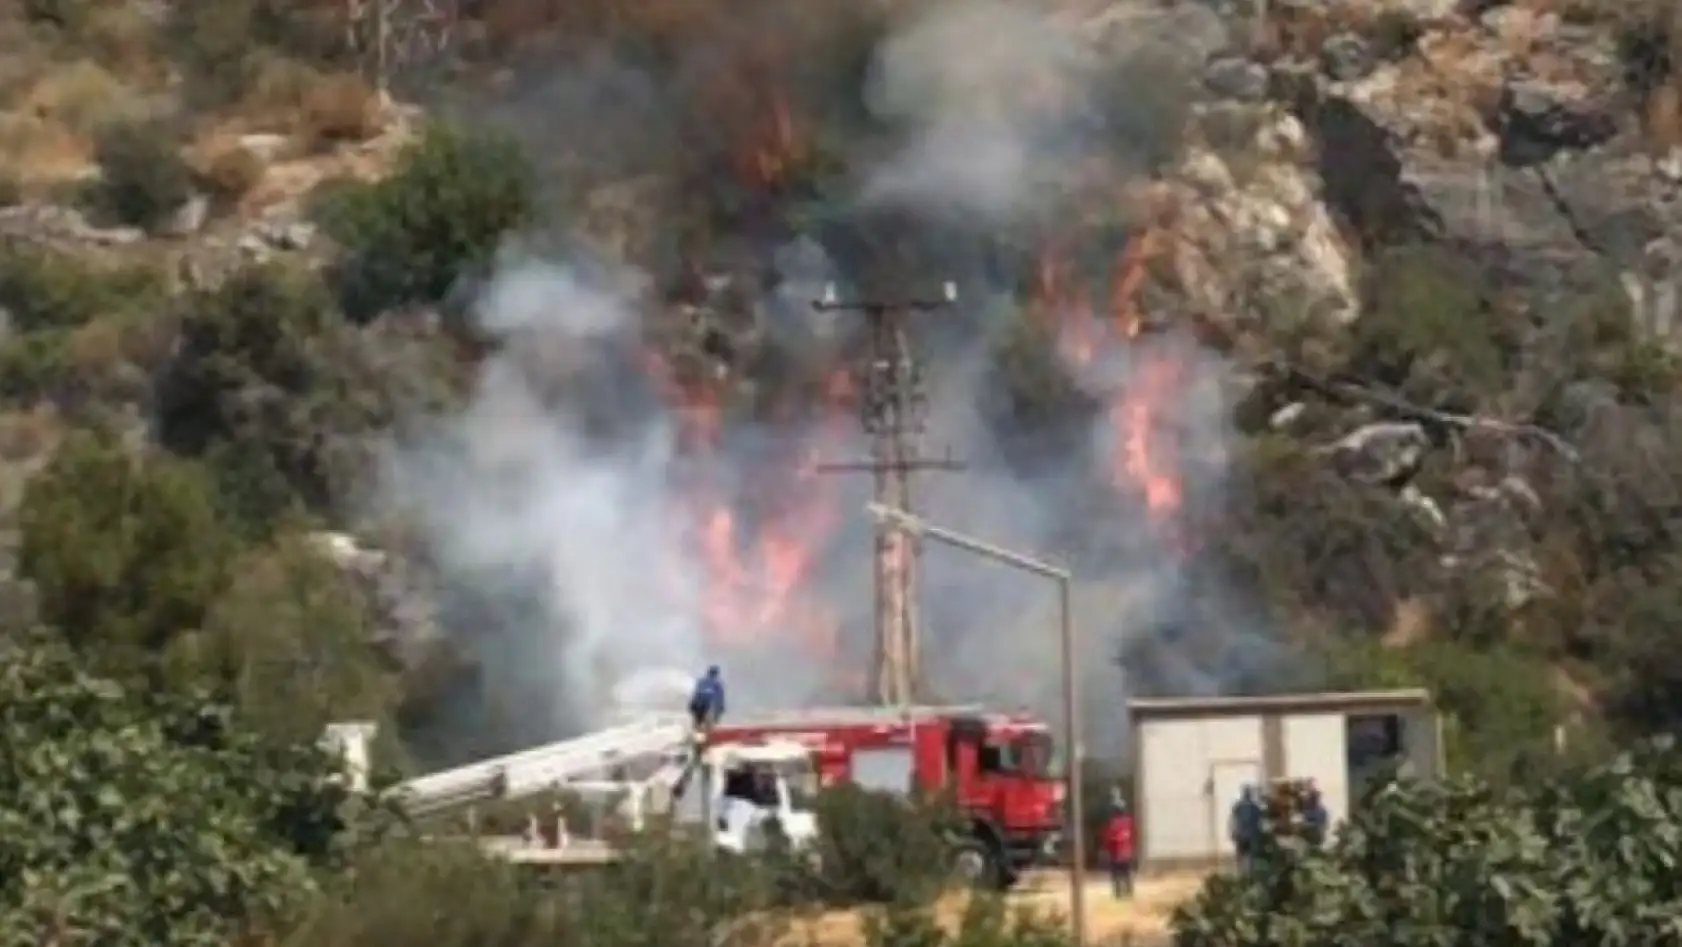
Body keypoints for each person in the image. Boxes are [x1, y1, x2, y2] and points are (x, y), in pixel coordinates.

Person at [1102, 798, 1136, 898]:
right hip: (1127, 852)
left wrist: (1108, 848)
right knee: (1127, 874)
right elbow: (1133, 835)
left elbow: (1108, 837)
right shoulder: (1129, 821)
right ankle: (1129, 892)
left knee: (1116, 875)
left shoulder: (1112, 823)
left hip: (1116, 853)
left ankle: (1118, 893)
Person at [1229, 785, 1262, 872]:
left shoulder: (1238, 806)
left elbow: (1234, 820)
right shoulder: (1255, 807)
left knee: (1240, 857)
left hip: (1241, 835)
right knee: (1251, 857)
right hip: (1252, 836)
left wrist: (1233, 832)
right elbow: (1259, 821)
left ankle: (1241, 873)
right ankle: (1250, 874)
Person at [1302, 781, 1329, 848]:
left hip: (1314, 836)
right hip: (1313, 836)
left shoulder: (1321, 811)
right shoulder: (1307, 809)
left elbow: (1324, 825)